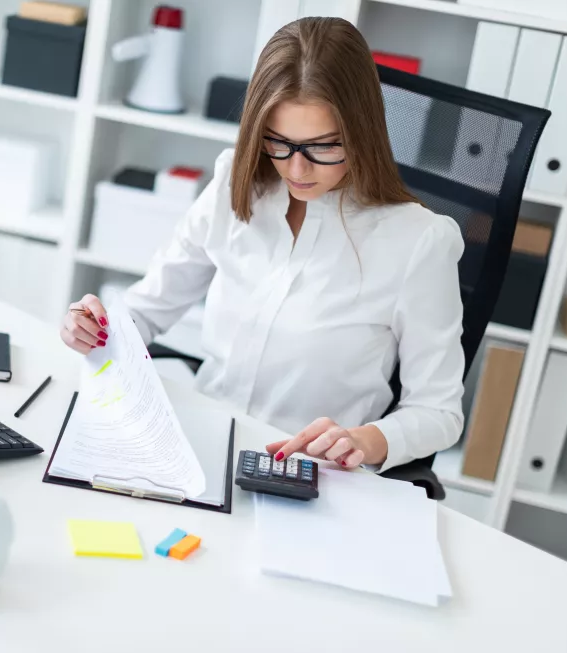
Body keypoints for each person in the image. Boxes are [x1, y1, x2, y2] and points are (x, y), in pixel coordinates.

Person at [59, 16, 464, 473]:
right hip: (201, 445)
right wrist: (97, 327)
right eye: (279, 142)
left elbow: (439, 412)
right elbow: (148, 309)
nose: (297, 169)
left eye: (324, 146)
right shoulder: (237, 183)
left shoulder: (418, 241)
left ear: (362, 131)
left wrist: (366, 440)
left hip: (313, 476)